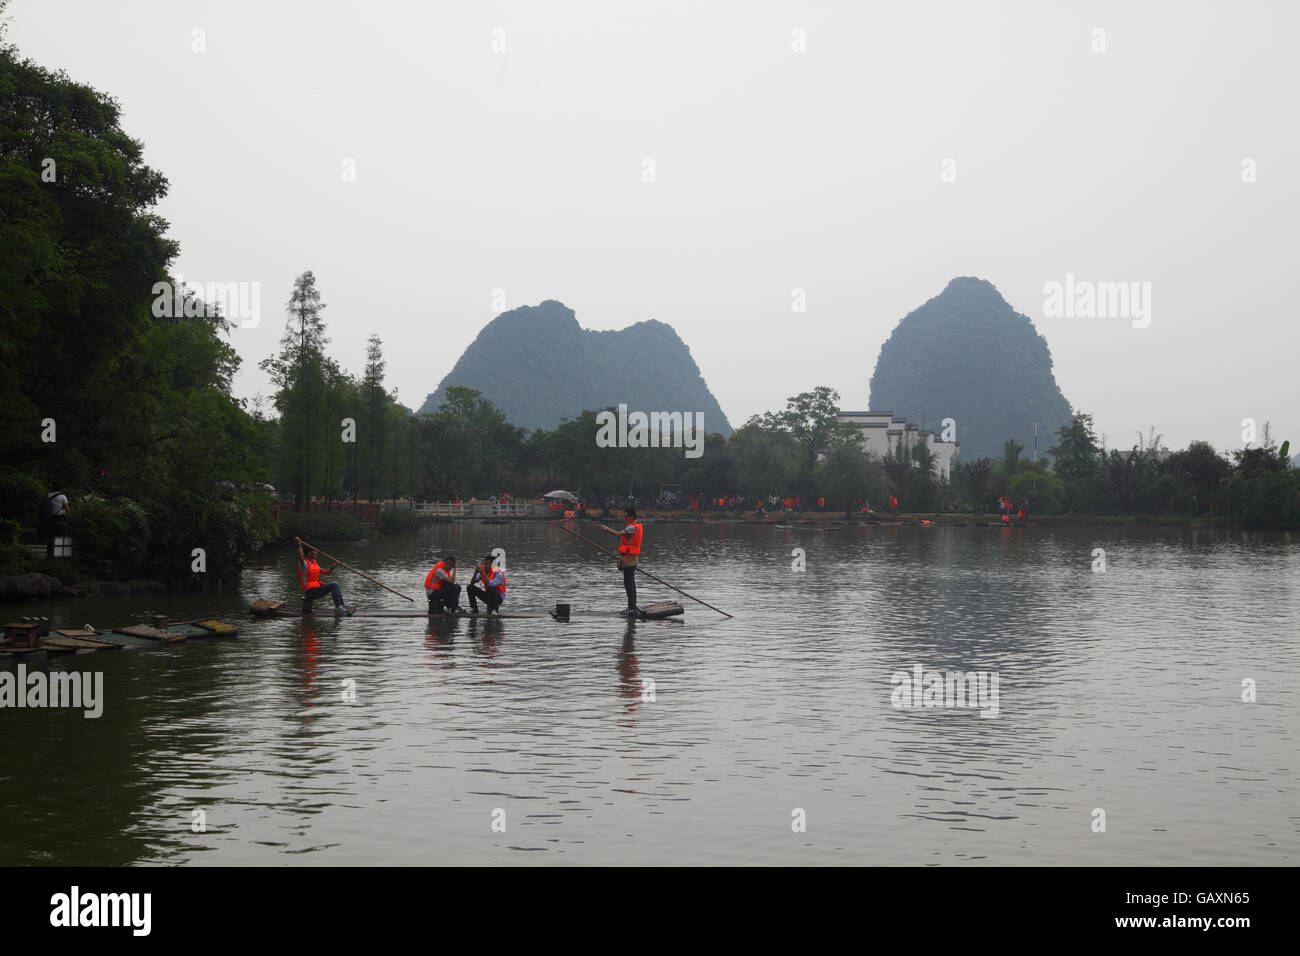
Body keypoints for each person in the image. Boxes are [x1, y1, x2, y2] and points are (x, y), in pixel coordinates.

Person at [295, 538, 356, 615]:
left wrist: (333, 566)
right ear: (309, 553)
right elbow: (301, 557)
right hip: (309, 592)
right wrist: (299, 544)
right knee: (334, 584)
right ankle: (338, 608)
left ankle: (341, 605)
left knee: (335, 584)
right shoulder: (304, 564)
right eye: (315, 551)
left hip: (316, 589)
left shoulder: (314, 563)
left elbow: (327, 573)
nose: (316, 552)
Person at [600, 507, 642, 613]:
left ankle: (631, 607)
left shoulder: (632, 527)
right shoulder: (637, 526)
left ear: (631, 516)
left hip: (629, 559)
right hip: (631, 558)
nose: (624, 518)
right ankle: (632, 606)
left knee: (629, 584)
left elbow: (618, 534)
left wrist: (606, 528)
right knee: (630, 583)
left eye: (626, 516)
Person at [39, 488, 71, 557]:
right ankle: (58, 555)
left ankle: (49, 554)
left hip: (49, 519)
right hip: (60, 519)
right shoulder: (62, 496)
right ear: (61, 488)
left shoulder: (48, 495)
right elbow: (67, 509)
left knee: (50, 537)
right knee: (60, 537)